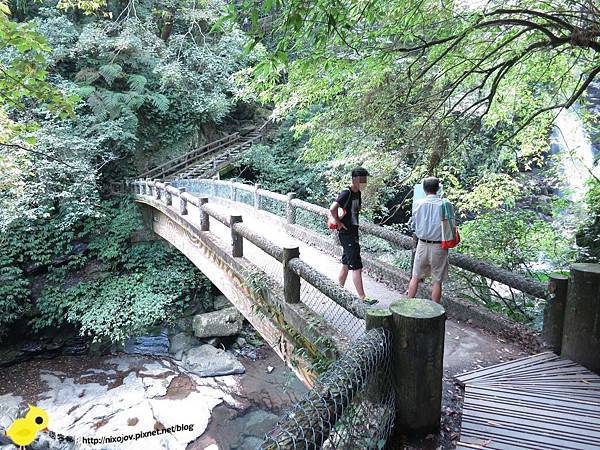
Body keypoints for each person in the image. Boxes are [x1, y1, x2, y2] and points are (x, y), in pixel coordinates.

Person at [329, 167, 376, 304]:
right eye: (362, 180)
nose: (364, 183)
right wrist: (338, 222)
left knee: (346, 262)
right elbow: (333, 208)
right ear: (355, 179)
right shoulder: (346, 192)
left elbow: (355, 211)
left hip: (353, 232)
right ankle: (362, 297)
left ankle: (338, 290)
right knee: (356, 266)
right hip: (346, 233)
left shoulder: (358, 193)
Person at [407, 176, 453, 303]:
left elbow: (413, 226)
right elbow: (450, 226)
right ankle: (435, 311)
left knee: (415, 276)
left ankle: (407, 304)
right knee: (437, 281)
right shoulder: (446, 204)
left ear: (424, 189)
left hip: (422, 244)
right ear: (438, 188)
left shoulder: (417, 204)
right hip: (439, 246)